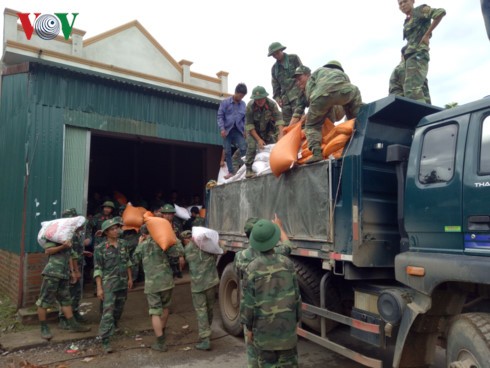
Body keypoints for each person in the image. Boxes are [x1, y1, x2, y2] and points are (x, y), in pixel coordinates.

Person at [240, 219, 301, 367]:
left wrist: (249, 328)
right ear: (274, 240)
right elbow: (297, 297)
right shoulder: (288, 263)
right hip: (287, 331)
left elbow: (249, 304)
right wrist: (296, 320)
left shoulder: (252, 268)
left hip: (263, 334)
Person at [294, 63, 363, 164]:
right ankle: (360, 137)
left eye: (299, 78)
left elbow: (313, 99)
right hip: (348, 91)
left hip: (321, 95)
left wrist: (310, 117)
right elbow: (345, 88)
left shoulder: (312, 78)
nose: (298, 82)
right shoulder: (339, 73)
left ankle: (317, 154)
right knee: (356, 120)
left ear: (307, 75)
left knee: (312, 126)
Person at [133, 224, 183, 352]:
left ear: (144, 234)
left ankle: (160, 342)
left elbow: (135, 259)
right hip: (166, 281)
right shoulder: (163, 241)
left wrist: (139, 243)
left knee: (155, 311)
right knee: (165, 307)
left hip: (152, 284)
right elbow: (179, 252)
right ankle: (162, 332)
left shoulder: (143, 246)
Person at [36, 237, 91, 340]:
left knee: (66, 301)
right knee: (44, 301)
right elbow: (48, 251)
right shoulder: (53, 238)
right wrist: (63, 246)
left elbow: (72, 256)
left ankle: (73, 324)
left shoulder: (68, 241)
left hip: (64, 275)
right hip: (52, 273)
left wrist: (73, 272)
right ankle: (44, 327)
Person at [94, 218, 133, 353]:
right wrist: (99, 288)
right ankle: (105, 340)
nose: (116, 230)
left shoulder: (123, 244)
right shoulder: (100, 249)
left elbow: (127, 261)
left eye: (117, 228)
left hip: (122, 282)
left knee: (119, 307)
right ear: (106, 233)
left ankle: (114, 324)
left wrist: (130, 278)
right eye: (113, 229)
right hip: (109, 283)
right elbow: (98, 269)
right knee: (108, 312)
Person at [398, 0, 446, 102]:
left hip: (418, 54)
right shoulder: (407, 21)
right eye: (400, 3)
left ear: (412, 1)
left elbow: (440, 12)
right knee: (421, 89)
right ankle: (429, 114)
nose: (402, 5)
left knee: (411, 88)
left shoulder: (419, 10)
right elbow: (412, 40)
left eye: (405, 1)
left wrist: (427, 34)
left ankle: (418, 116)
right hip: (410, 57)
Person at [182, 230, 220, 351]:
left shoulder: (187, 249)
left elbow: (183, 263)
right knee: (209, 308)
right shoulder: (207, 245)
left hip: (198, 286)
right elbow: (221, 249)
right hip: (211, 283)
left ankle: (205, 339)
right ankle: (206, 332)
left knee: (201, 311)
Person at [58, 208, 91, 329]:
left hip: (77, 266)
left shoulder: (75, 233)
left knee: (76, 293)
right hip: (68, 269)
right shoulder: (66, 234)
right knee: (66, 294)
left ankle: (75, 313)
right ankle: (63, 319)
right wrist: (74, 271)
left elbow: (75, 252)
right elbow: (69, 254)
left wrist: (82, 252)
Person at [245, 86, 285, 178]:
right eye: (257, 99)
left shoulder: (272, 104)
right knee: (251, 146)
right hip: (253, 130)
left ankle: (276, 164)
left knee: (274, 146)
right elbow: (249, 125)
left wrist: (281, 135)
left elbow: (279, 120)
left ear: (265, 97)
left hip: (267, 129)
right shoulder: (250, 107)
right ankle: (249, 168)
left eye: (261, 99)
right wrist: (258, 140)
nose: (259, 101)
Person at [268, 42, 305, 125]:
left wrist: (304, 91)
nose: (276, 56)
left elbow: (303, 75)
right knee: (288, 126)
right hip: (285, 102)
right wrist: (278, 99)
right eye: (273, 55)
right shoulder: (274, 69)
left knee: (301, 122)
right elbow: (275, 86)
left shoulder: (293, 58)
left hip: (297, 97)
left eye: (277, 53)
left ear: (281, 50)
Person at [218, 83, 248, 179]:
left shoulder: (243, 104)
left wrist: (245, 130)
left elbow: (245, 118)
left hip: (238, 129)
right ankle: (231, 171)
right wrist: (222, 129)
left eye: (243, 96)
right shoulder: (225, 103)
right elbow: (220, 116)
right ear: (236, 92)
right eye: (240, 95)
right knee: (227, 150)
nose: (241, 97)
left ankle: (246, 169)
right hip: (227, 130)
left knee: (243, 147)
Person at [160, 204, 185, 278]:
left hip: (175, 253)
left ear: (173, 215)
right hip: (163, 254)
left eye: (169, 214)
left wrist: (181, 255)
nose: (167, 216)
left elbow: (180, 240)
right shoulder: (158, 225)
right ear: (162, 215)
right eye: (165, 214)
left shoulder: (177, 225)